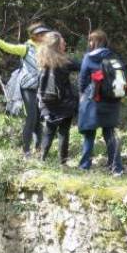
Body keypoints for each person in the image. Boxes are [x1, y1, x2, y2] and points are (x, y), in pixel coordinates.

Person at [0, 19, 51, 157]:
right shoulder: (26, 48)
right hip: (27, 86)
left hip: (38, 87)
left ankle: (38, 148)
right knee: (31, 117)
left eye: (44, 33)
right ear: (35, 35)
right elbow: (7, 47)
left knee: (38, 118)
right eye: (41, 34)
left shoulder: (45, 49)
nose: (44, 36)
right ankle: (26, 150)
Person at [78, 29, 123, 175]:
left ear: (94, 42)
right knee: (109, 133)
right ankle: (116, 166)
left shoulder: (88, 58)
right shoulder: (114, 57)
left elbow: (83, 80)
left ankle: (85, 165)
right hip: (112, 100)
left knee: (89, 133)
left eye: (91, 41)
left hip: (94, 100)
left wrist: (83, 95)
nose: (90, 43)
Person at [35, 32, 81, 164]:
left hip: (47, 103)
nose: (65, 44)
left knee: (49, 131)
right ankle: (63, 163)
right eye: (63, 42)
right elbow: (82, 66)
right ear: (56, 45)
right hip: (64, 103)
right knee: (64, 133)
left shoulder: (41, 60)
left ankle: (42, 160)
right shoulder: (65, 61)